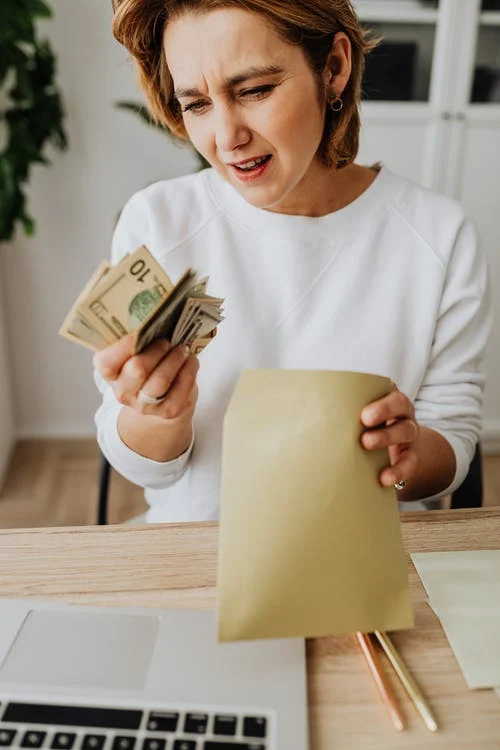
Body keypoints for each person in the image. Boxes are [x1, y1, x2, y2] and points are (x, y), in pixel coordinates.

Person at [94, 0, 491, 523]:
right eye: (196, 104)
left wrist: (408, 457)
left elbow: (452, 441)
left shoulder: (439, 235)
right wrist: (156, 418)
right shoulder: (157, 224)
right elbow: (141, 466)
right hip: (196, 559)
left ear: (333, 68)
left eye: (254, 90)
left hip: (363, 563)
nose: (226, 136)